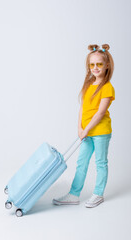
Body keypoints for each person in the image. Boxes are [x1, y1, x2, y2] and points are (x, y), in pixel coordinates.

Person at [52, 44, 115, 208]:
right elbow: (83, 108)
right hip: (86, 132)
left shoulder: (107, 88)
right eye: (92, 64)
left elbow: (100, 113)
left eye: (99, 64)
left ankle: (98, 194)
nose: (95, 68)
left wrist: (86, 129)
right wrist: (80, 128)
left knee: (100, 163)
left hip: (100, 132)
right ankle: (74, 194)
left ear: (106, 65)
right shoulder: (88, 85)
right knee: (82, 162)